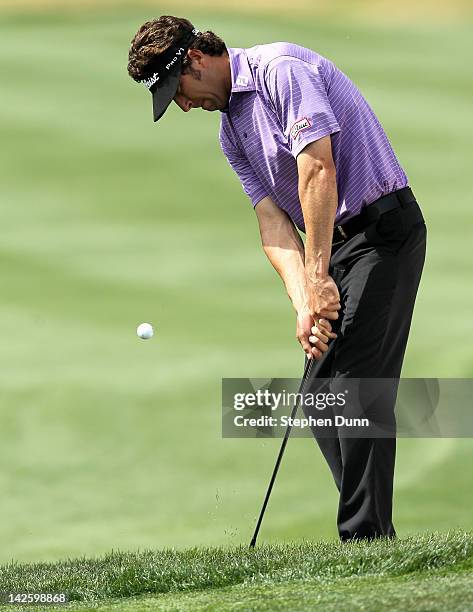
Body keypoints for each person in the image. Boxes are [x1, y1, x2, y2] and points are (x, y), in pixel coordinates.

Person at [127, 16, 427, 540]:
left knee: (356, 386)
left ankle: (364, 537)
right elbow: (272, 221)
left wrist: (318, 275)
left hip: (383, 232)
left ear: (196, 59)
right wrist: (304, 299)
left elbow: (318, 171)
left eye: (180, 90)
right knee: (319, 395)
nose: (184, 105)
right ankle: (372, 536)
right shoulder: (230, 134)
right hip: (330, 249)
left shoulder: (280, 71)